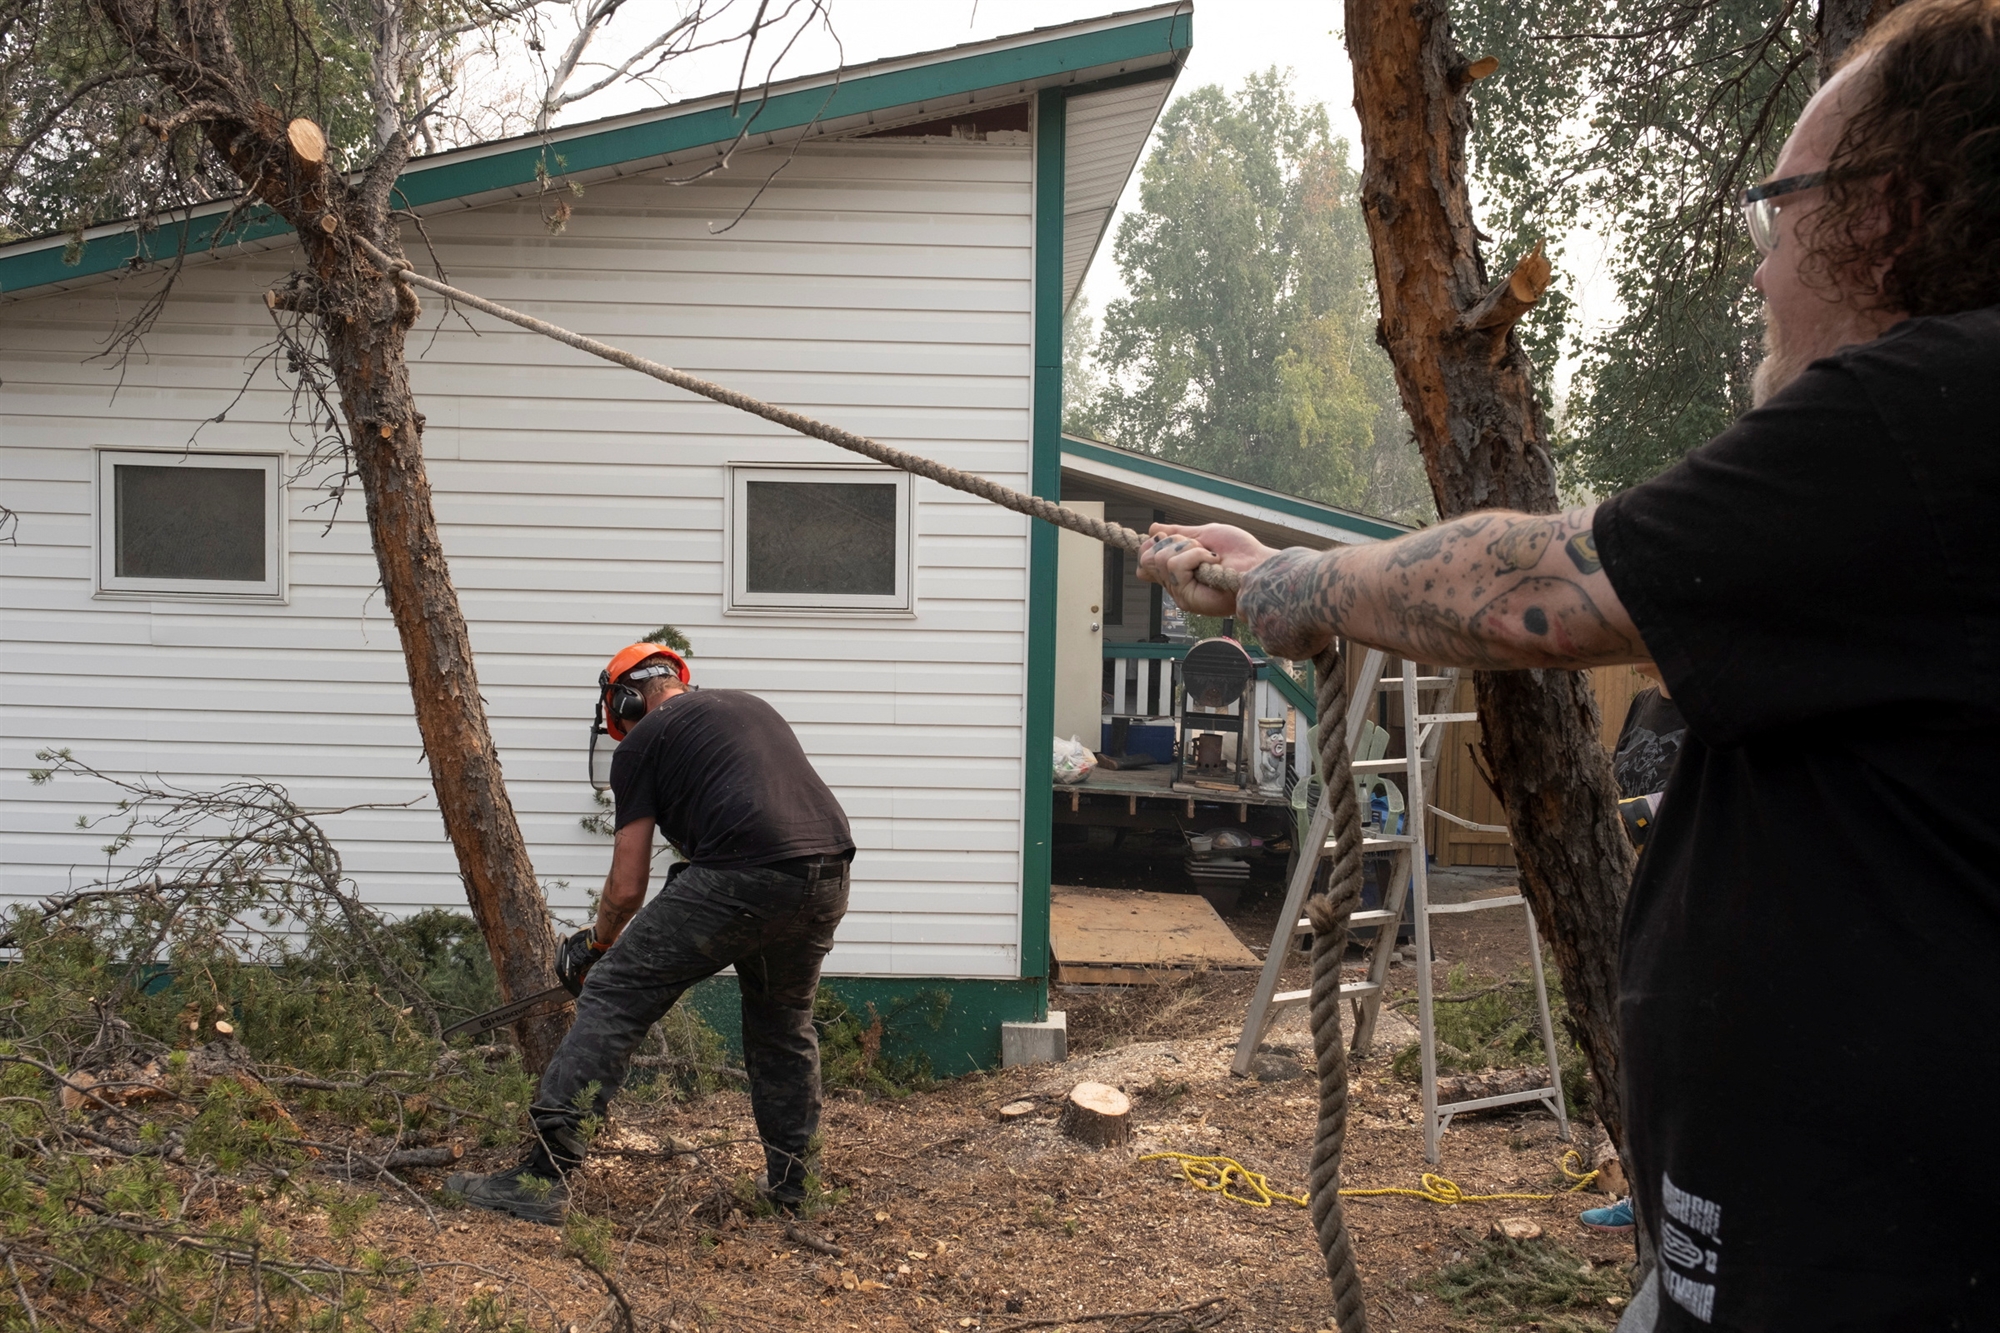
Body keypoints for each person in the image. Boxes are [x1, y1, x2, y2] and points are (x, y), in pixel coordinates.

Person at [1139, 4, 2000, 1326]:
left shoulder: (1933, 406)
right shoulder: (1919, 497)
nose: (1759, 269)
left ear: (1886, 211)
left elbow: (1535, 583)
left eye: (1780, 208)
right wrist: (1282, 566)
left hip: (1874, 1273)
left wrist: (1295, 585)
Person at [446, 644, 855, 1224]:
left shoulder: (642, 743)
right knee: (782, 1026)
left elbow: (627, 885)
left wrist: (598, 946)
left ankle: (542, 1181)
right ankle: (793, 1190)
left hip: (743, 875)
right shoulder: (751, 707)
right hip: (828, 874)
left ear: (624, 698)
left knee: (612, 992)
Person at [1579, 664, 1687, 1238]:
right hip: (1632, 891)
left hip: (1688, 902)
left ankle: (1675, 1202)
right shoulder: (1644, 703)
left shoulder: (1712, 708)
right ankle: (1642, 1194)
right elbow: (1617, 786)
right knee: (1636, 1046)